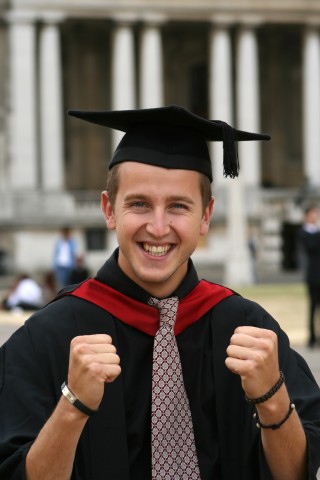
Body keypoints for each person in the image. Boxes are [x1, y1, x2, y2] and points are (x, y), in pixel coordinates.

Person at [0, 105, 320, 480]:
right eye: (139, 204)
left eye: (178, 207)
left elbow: (298, 472)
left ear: (205, 216)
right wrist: (71, 407)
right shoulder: (46, 338)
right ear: (109, 209)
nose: (157, 227)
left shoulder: (250, 330)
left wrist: (272, 399)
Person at [299, 205, 320, 347]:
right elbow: (311, 247)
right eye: (313, 213)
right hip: (313, 276)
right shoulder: (303, 232)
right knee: (313, 307)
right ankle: (312, 337)